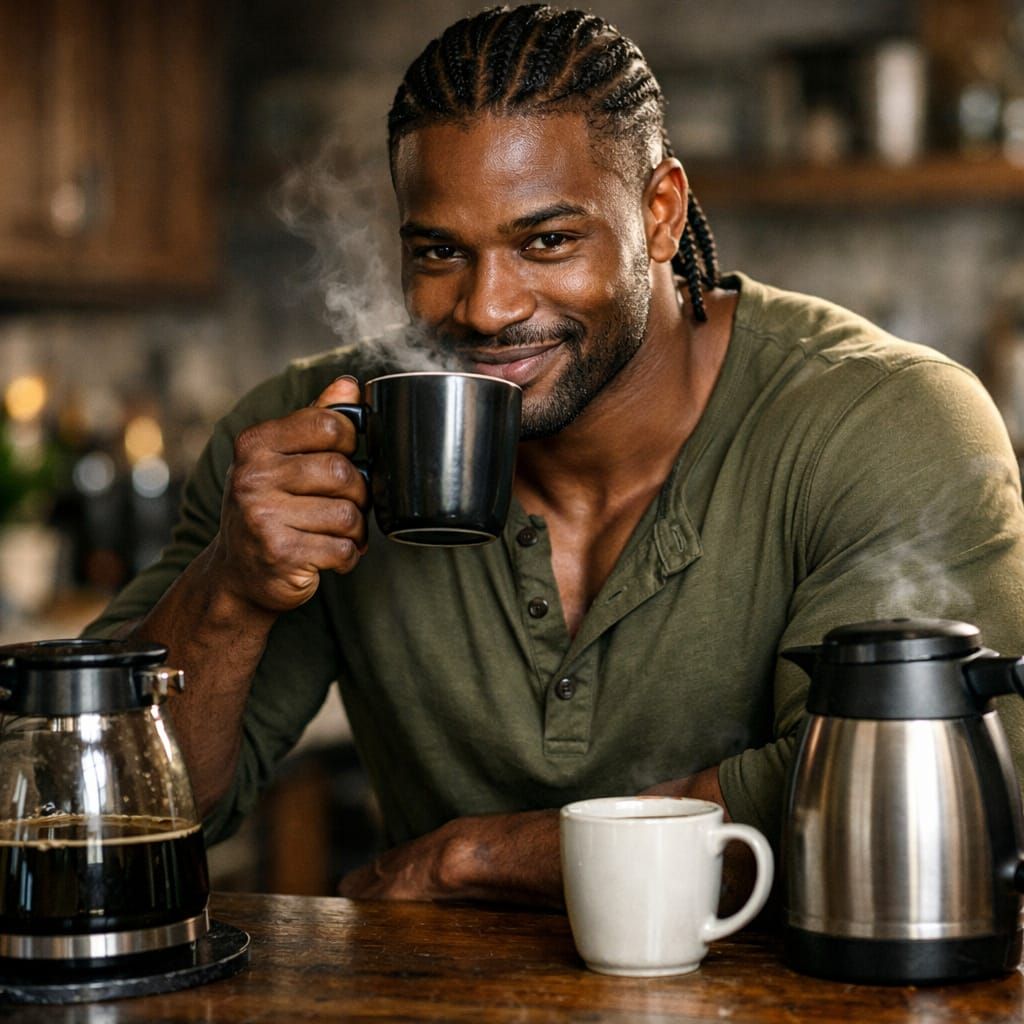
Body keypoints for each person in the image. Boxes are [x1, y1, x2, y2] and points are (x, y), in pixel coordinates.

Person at [85, 4, 1024, 909]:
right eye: (440, 252)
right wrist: (231, 590)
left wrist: (472, 860)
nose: (487, 308)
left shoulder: (885, 421)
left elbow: (918, 808)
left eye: (548, 241)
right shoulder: (305, 438)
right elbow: (105, 816)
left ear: (661, 213)